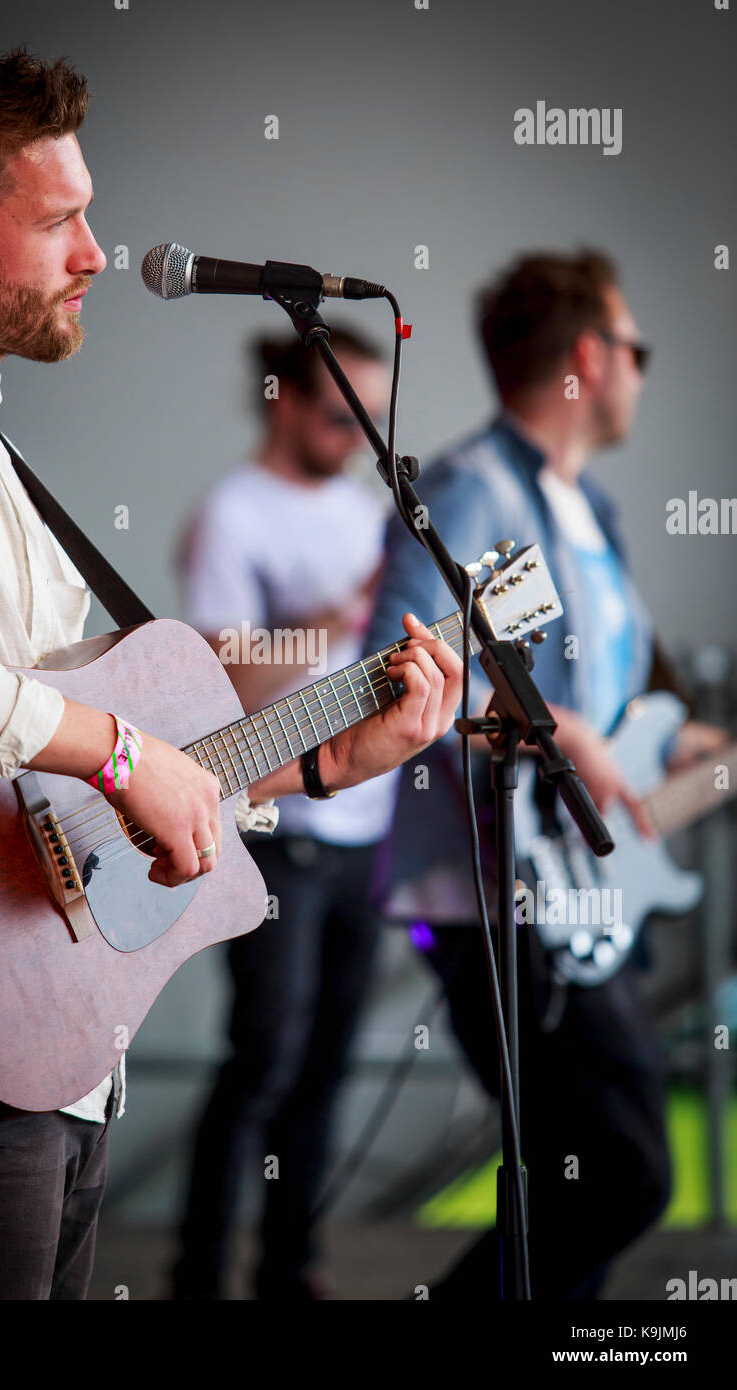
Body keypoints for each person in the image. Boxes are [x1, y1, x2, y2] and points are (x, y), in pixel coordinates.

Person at [0, 47, 462, 1301]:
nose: (98, 251)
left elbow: (116, 769)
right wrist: (117, 752)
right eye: (58, 220)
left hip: (48, 1039)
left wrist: (327, 760)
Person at [365, 249, 725, 1299]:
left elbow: (621, 718)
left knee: (590, 1180)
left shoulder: (590, 512)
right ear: (587, 355)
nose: (642, 372)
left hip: (574, 893)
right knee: (620, 1171)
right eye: (635, 348)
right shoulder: (475, 486)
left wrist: (675, 747)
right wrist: (558, 724)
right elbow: (410, 670)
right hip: (497, 894)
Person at [171, 329, 401, 1300]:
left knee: (327, 1068)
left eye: (371, 424)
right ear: (280, 398)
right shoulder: (231, 514)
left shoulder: (377, 511)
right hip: (276, 828)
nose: (355, 439)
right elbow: (220, 673)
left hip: (370, 826)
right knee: (262, 1059)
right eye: (337, 415)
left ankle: (288, 1270)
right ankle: (195, 1275)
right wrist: (336, 615)